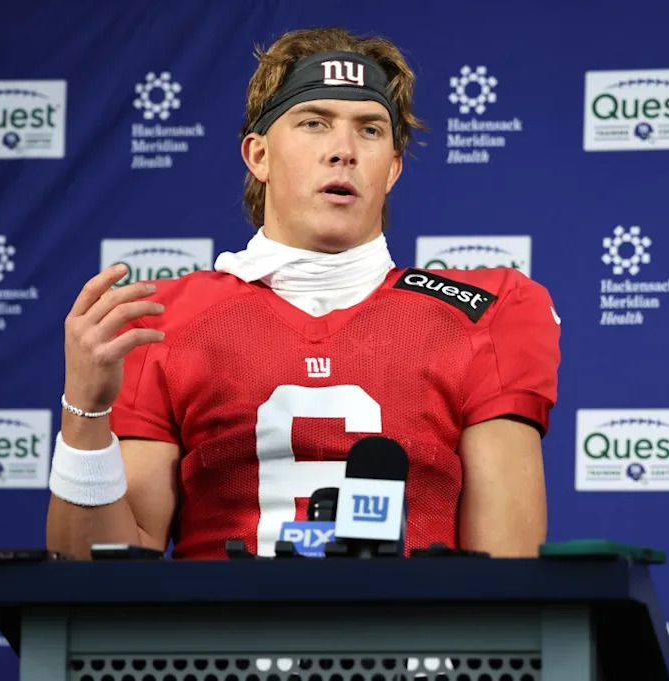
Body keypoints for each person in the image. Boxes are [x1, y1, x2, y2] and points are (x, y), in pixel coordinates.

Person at [46, 27, 561, 560]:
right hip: (218, 639)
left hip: (415, 638)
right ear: (258, 155)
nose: (343, 151)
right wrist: (83, 411)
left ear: (393, 169)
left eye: (370, 129)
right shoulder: (158, 320)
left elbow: (508, 572)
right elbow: (95, 570)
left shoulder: (486, 312)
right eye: (314, 123)